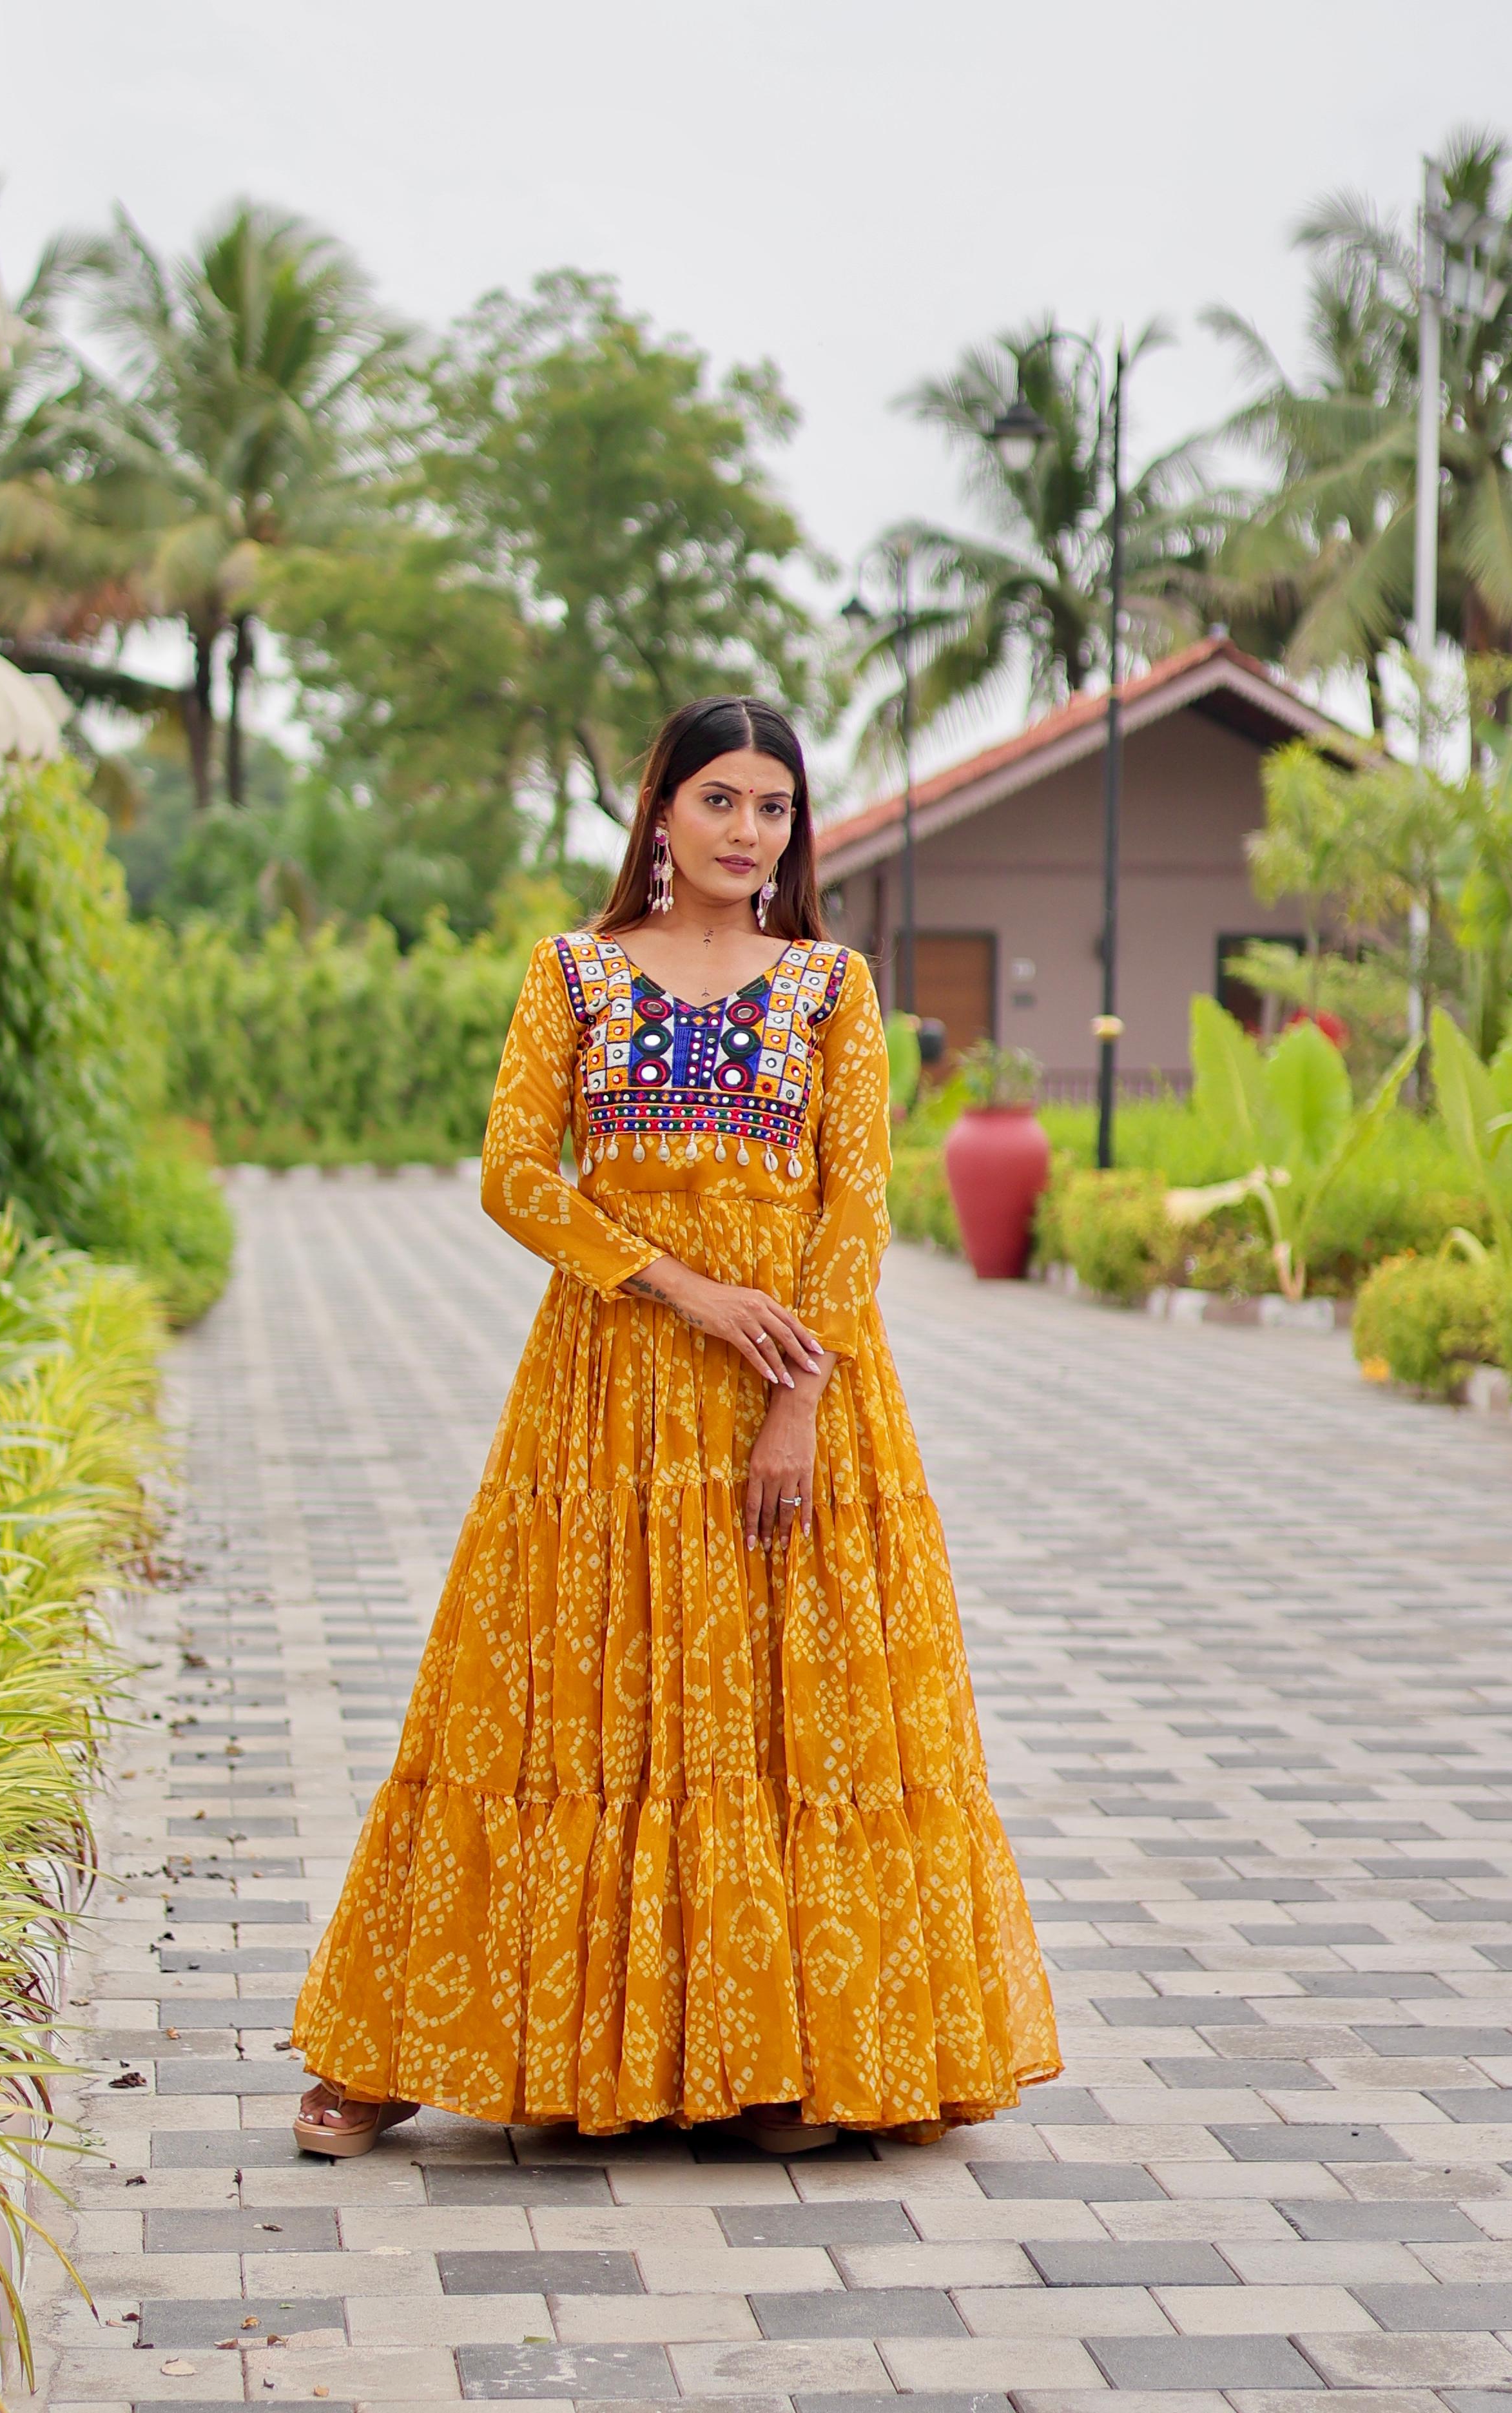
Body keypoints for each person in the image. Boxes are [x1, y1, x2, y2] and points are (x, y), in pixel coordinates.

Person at [292, 694, 1060, 2155]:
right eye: (719, 799)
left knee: (786, 1718)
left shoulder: (832, 989)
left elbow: (855, 1210)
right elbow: (516, 1174)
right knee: (548, 1697)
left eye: (773, 806)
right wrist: (685, 1289)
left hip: (797, 1389)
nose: (745, 830)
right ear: (659, 810)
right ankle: (404, 2047)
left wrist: (798, 1403)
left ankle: (776, 2061)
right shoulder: (576, 974)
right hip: (610, 1392)